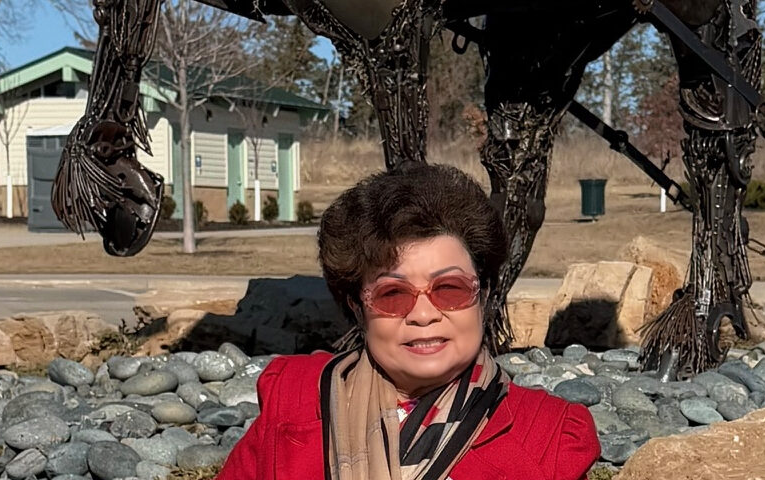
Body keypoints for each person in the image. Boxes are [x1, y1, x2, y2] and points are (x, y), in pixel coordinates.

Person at [218, 163, 599, 480]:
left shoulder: (546, 439)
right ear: (357, 307)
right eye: (393, 295)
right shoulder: (295, 403)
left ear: (483, 296)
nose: (423, 314)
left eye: (449, 289)